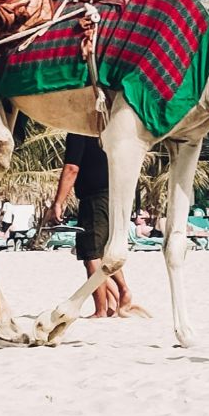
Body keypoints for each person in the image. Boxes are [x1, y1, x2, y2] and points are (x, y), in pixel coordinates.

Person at [48, 134, 143, 319]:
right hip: (115, 193)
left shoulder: (78, 132)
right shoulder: (107, 130)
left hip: (94, 197)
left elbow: (71, 169)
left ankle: (101, 309)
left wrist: (58, 202)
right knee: (105, 251)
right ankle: (118, 297)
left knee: (92, 255)